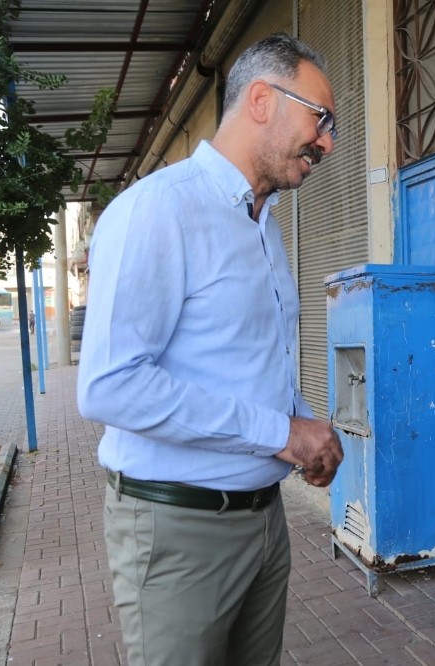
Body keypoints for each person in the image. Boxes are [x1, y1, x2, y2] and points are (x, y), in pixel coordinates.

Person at [77, 33, 344, 666]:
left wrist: (303, 425)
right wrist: (281, 431)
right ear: (261, 100)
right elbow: (110, 386)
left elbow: (246, 366)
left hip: (262, 522)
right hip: (178, 532)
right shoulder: (157, 212)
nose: (327, 142)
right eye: (320, 119)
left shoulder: (263, 224)